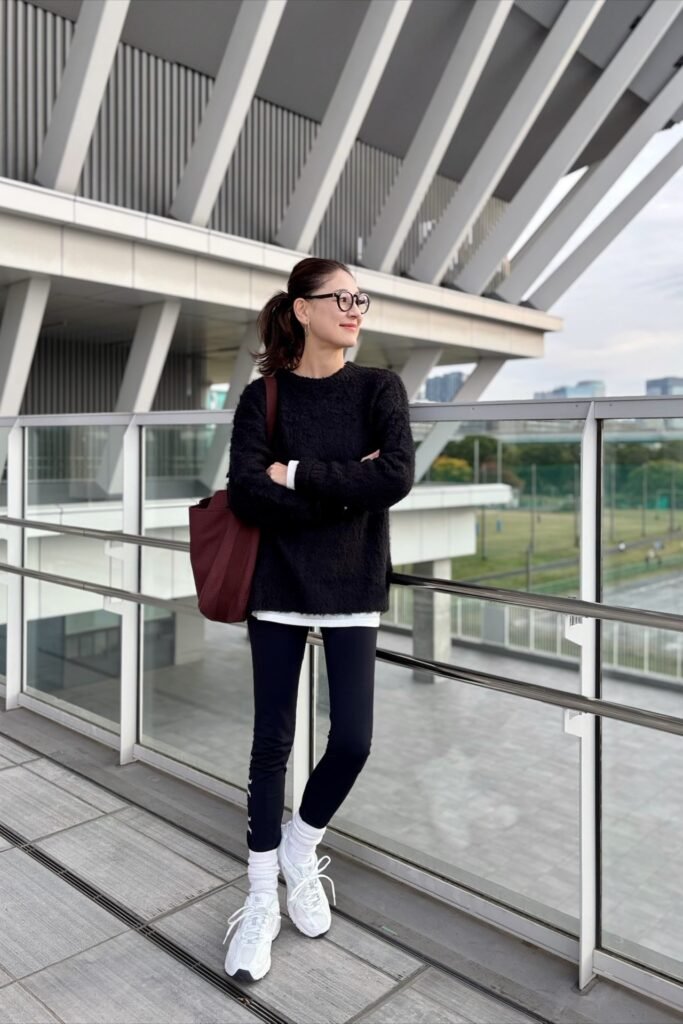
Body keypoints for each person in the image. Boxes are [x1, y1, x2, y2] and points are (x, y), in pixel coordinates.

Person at [222, 256, 415, 982]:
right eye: (340, 297)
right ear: (302, 309)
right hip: (276, 583)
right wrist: (345, 493)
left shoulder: (378, 388)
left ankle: (301, 847)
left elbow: (392, 476)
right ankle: (258, 896)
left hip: (353, 585)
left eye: (360, 298)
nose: (354, 308)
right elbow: (245, 492)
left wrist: (296, 475)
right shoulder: (263, 396)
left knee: (354, 739)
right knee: (269, 743)